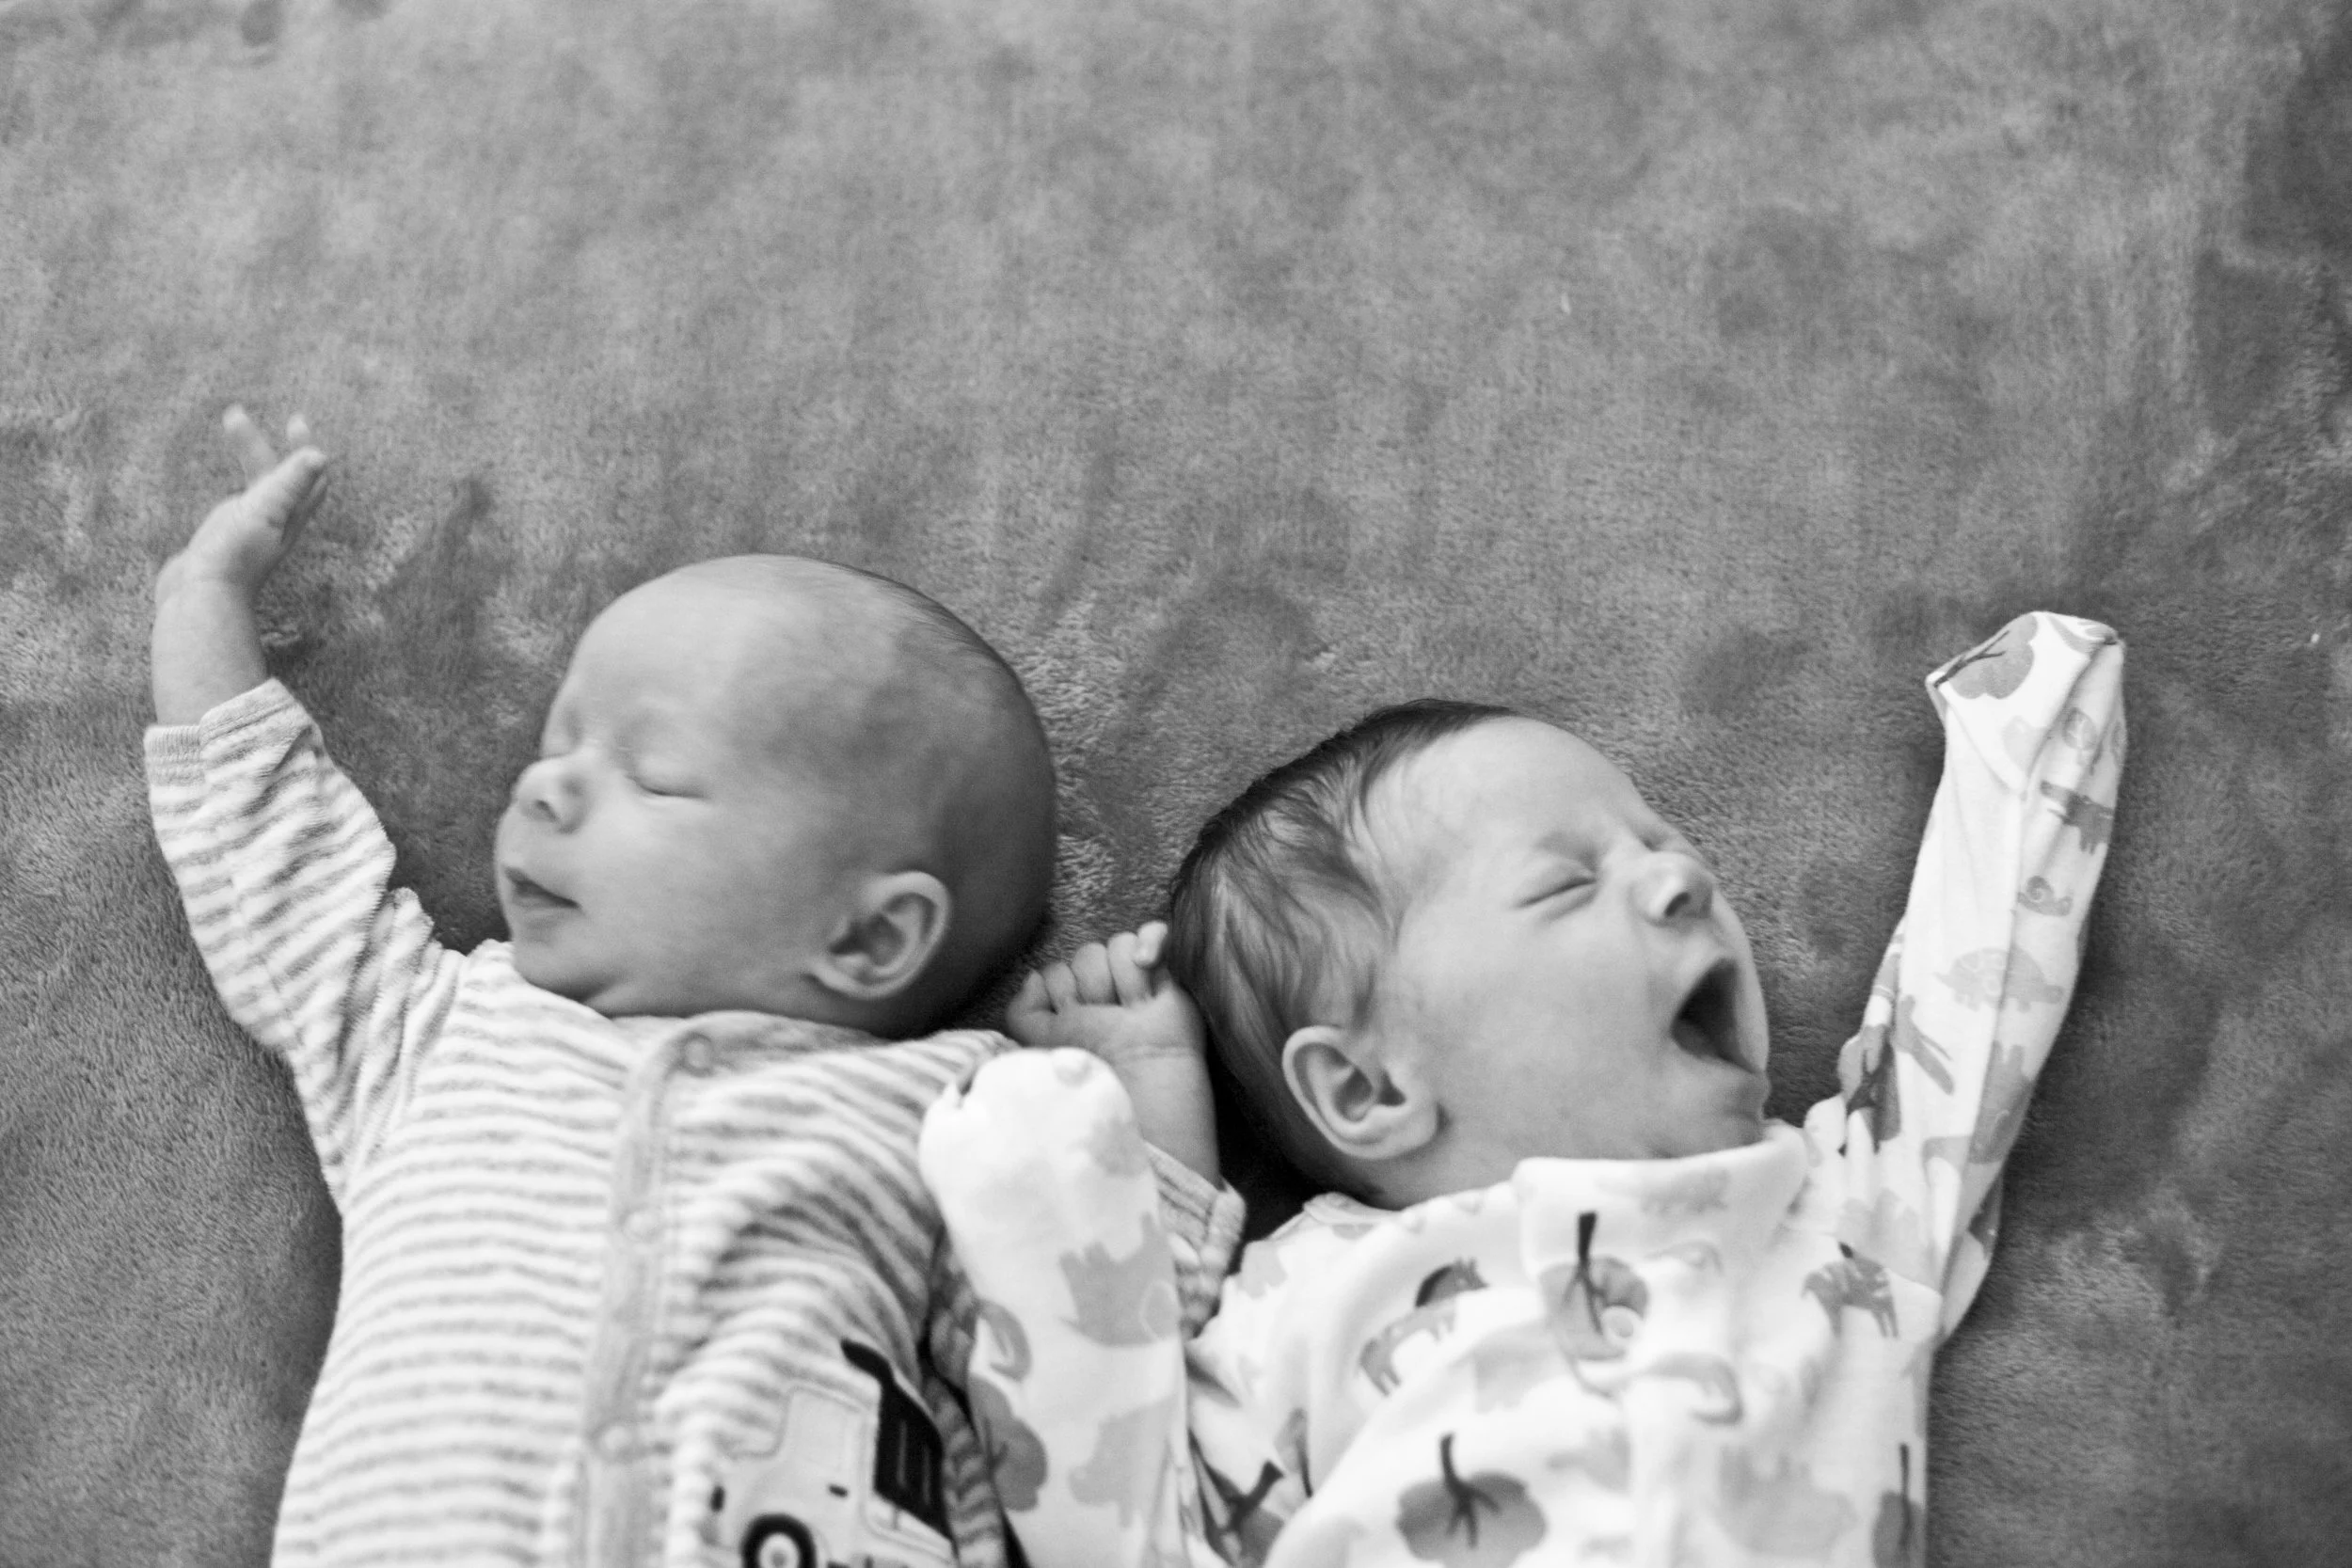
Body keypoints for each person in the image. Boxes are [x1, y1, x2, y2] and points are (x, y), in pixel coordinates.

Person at [145, 406, 1187, 1568]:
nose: (542, 786)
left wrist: (1145, 1089)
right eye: (557, 743)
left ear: (869, 934)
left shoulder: (949, 1118)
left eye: (651, 771)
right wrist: (201, 602)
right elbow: (280, 861)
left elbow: (1115, 1366)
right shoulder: (433, 1029)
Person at [920, 610, 2124, 1567]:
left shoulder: (1840, 1212)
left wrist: (2026, 731)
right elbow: (1125, 1497)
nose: (1680, 881)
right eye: (1564, 885)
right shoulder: (1309, 1295)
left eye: (1664, 842)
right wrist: (1128, 1139)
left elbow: (1979, 998)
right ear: (1366, 1087)